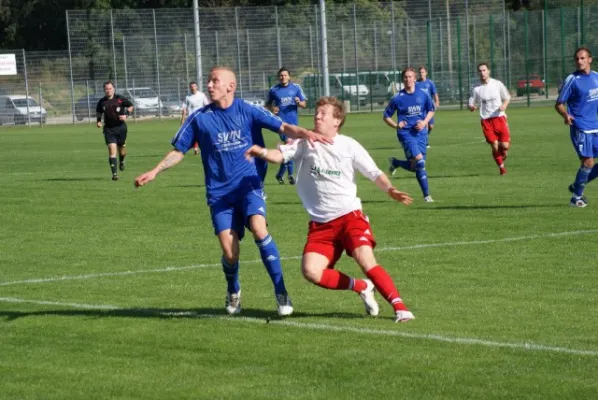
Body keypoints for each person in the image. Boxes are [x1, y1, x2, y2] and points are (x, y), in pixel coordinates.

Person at [134, 66, 330, 316]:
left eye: (215, 81)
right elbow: (179, 151)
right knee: (230, 252)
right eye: (208, 81)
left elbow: (283, 127)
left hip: (249, 186)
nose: (209, 85)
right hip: (220, 195)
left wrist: (307, 134)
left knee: (260, 229)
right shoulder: (199, 118)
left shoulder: (248, 110)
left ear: (231, 86)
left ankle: (281, 292)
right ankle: (233, 290)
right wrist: (155, 170)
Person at [245, 97, 415, 323]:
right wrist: (262, 152)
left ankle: (401, 308)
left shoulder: (349, 145)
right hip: (321, 224)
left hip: (350, 216)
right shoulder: (304, 142)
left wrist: (390, 190)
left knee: (365, 259)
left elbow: (374, 173)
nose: (317, 116)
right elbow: (279, 156)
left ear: (337, 121)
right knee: (311, 272)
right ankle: (362, 287)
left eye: (323, 113)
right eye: (316, 113)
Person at [384, 67, 436, 202]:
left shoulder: (423, 94)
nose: (408, 79)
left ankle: (396, 162)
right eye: (405, 77)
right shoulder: (397, 97)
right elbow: (386, 116)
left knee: (417, 166)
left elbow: (431, 110)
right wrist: (396, 125)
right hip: (406, 134)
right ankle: (427, 196)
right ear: (403, 80)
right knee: (420, 160)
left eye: (410, 77)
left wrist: (424, 122)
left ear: (414, 78)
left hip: (421, 134)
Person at [555, 47, 598, 208]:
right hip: (580, 126)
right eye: (577, 59)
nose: (579, 61)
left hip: (595, 126)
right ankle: (576, 198)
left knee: (589, 164)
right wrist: (566, 115)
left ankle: (577, 185)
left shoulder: (596, 78)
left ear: (590, 59)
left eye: (582, 58)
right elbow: (559, 104)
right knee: (588, 162)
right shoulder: (572, 79)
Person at [467, 62, 511, 176]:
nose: (482, 73)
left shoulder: (497, 84)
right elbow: (471, 102)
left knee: (504, 146)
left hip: (499, 117)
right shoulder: (476, 88)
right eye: (480, 71)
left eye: (484, 70)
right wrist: (471, 106)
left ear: (488, 71)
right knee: (495, 145)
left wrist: (504, 105)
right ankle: (502, 168)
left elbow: (507, 97)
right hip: (486, 120)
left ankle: (502, 153)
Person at [266, 67, 307, 185]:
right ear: (279, 77)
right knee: (290, 146)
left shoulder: (296, 88)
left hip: (294, 124)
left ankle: (279, 175)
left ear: (289, 76)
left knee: (289, 149)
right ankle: (290, 175)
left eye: (285, 75)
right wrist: (272, 110)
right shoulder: (274, 90)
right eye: (281, 75)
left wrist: (299, 103)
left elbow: (304, 104)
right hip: (281, 124)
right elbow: (267, 105)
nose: (283, 77)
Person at [96, 81, 134, 181]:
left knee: (122, 151)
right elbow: (99, 112)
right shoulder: (102, 102)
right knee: (112, 150)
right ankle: (115, 174)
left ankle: (122, 161)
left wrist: (126, 115)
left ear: (114, 89)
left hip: (121, 128)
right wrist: (99, 121)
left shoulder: (120, 99)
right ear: (104, 90)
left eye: (110, 88)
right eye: (106, 89)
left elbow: (131, 106)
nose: (108, 90)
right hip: (109, 129)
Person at [181, 81, 210, 155]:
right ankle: (196, 147)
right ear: (190, 87)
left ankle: (200, 147)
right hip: (191, 118)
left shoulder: (202, 95)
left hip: (201, 117)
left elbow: (207, 106)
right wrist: (183, 119)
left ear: (196, 87)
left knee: (202, 133)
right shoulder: (187, 97)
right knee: (194, 133)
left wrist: (207, 116)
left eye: (194, 86)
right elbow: (184, 108)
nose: (193, 88)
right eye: (191, 86)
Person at [416, 66, 440, 148]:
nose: (421, 74)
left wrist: (437, 101)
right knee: (425, 124)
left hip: (429, 107)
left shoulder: (430, 83)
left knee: (431, 126)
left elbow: (434, 93)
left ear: (426, 73)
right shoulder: (416, 83)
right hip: (421, 107)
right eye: (420, 72)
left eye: (422, 72)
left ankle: (424, 137)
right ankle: (425, 142)